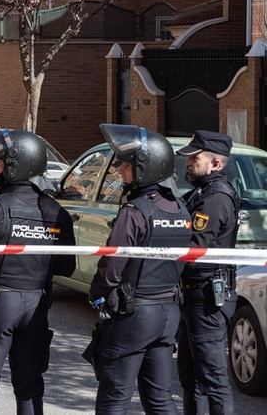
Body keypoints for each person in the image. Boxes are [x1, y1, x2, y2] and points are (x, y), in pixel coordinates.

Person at [0, 129, 76, 415]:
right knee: (29, 385)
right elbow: (66, 266)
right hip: (36, 303)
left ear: (14, 165)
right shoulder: (56, 212)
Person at [89, 124, 192, 414]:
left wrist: (98, 293)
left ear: (145, 167)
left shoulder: (134, 212)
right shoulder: (181, 210)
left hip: (134, 315)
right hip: (167, 313)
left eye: (125, 163)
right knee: (159, 398)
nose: (119, 169)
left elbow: (112, 265)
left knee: (114, 397)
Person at [176, 130, 239, 415]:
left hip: (207, 299)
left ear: (216, 164)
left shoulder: (215, 199)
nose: (188, 163)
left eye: (195, 158)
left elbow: (195, 250)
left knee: (213, 380)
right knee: (191, 378)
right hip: (194, 296)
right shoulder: (200, 194)